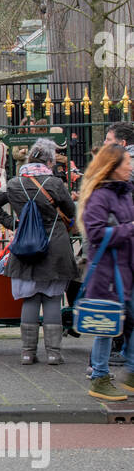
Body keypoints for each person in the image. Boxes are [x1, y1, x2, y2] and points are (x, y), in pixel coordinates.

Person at [0, 138, 76, 366]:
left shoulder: (15, 183)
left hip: (25, 245)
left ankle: (27, 353)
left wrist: (13, 224)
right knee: (53, 298)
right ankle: (54, 353)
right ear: (48, 161)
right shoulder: (55, 183)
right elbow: (70, 210)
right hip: (54, 245)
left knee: (30, 299)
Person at [75, 144, 134, 399]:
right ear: (113, 166)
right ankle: (99, 376)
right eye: (127, 162)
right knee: (106, 324)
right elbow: (96, 233)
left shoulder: (124, 193)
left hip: (126, 269)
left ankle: (131, 371)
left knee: (130, 321)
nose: (131, 166)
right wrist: (130, 228)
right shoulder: (100, 195)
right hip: (109, 274)